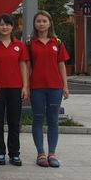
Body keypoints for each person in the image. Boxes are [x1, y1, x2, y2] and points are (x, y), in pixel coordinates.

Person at [26, 11, 70, 168]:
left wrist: (65, 86)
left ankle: (52, 153)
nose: (41, 24)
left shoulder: (57, 42)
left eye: (44, 21)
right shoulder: (30, 43)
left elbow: (61, 65)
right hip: (36, 87)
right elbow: (27, 67)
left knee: (53, 120)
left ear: (50, 23)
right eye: (38, 21)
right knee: (38, 119)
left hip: (55, 87)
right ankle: (40, 153)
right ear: (34, 24)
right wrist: (26, 87)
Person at [0, 14, 28, 166]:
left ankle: (14, 153)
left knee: (14, 121)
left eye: (8, 24)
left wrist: (25, 86)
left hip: (15, 88)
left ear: (13, 27)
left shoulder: (19, 45)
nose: (5, 27)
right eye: (2, 24)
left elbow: (23, 66)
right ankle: (0, 152)